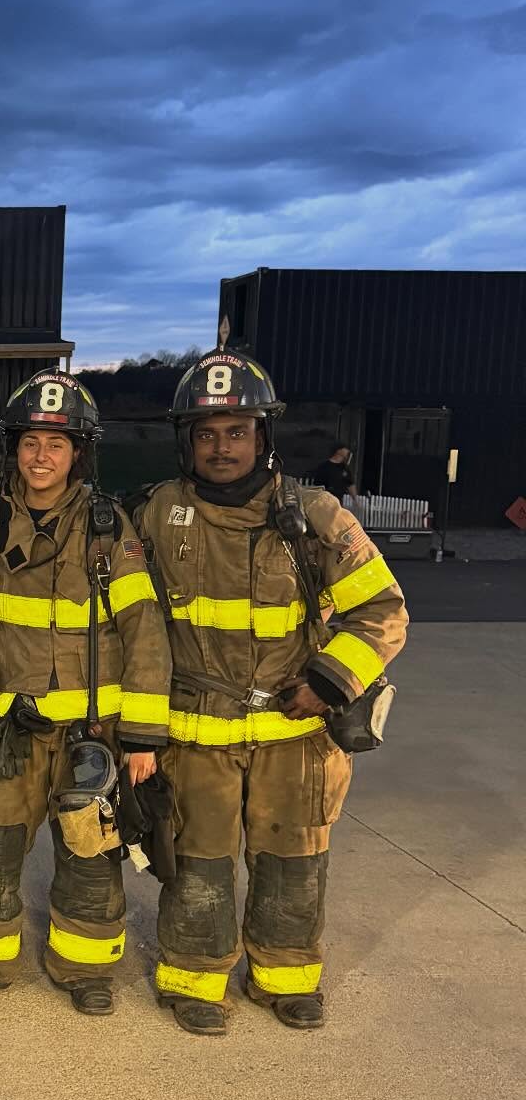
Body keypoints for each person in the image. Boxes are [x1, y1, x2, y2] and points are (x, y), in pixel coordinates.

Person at [134, 352, 408, 1035]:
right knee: (197, 863)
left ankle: (285, 978)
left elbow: (381, 611)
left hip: (295, 732)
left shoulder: (314, 516)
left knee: (292, 858)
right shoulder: (158, 514)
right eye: (206, 434)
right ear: (186, 442)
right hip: (196, 732)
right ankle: (196, 983)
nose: (221, 448)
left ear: (262, 437)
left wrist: (326, 681)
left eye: (236, 432)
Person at [0, 372, 171, 1014]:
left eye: (57, 444)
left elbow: (144, 629)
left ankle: (85, 968)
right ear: (13, 447)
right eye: (31, 442)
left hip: (87, 734)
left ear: (78, 453)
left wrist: (143, 738)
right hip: (6, 730)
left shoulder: (106, 529)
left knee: (91, 852)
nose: (41, 457)